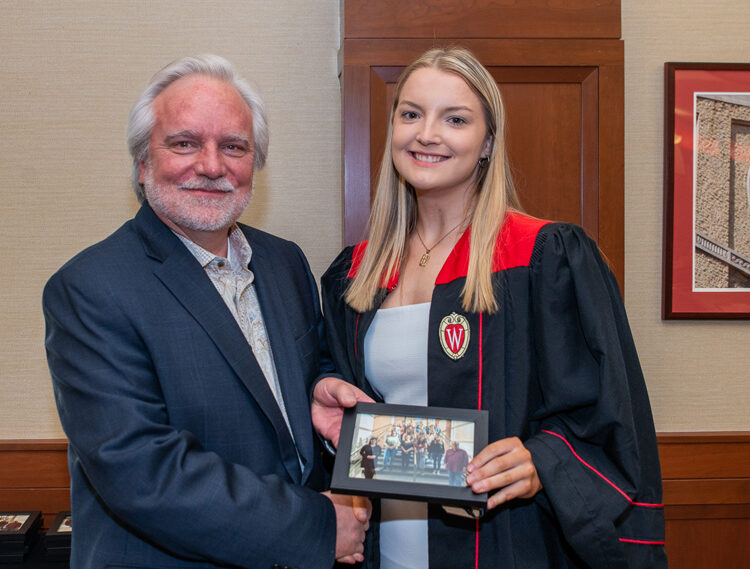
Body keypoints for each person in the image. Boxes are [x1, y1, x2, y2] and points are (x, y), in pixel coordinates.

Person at [312, 47, 667, 568]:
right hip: (386, 549)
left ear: (487, 143)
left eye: (455, 119)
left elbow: (611, 415)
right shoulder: (355, 274)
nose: (427, 133)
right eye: (410, 114)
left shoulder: (544, 257)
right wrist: (324, 388)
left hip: (509, 545)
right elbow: (343, 398)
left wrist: (541, 460)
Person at [43, 54, 368, 569]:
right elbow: (142, 475)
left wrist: (315, 390)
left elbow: (273, 389)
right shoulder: (90, 288)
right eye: (185, 143)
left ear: (253, 164)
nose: (212, 166)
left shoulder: (284, 262)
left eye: (233, 147)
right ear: (144, 161)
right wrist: (318, 526)